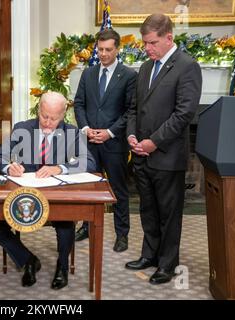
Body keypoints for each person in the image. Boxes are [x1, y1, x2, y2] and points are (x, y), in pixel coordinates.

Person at [0, 92, 96, 290]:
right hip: (24, 197)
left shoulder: (71, 132)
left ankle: (62, 267)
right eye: (44, 116)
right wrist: (8, 167)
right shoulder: (23, 128)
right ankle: (28, 260)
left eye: (53, 119)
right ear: (39, 110)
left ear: (63, 116)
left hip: (57, 198)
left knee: (66, 224)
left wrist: (60, 168)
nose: (47, 123)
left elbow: (88, 162)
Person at [125, 14, 202, 284]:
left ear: (169, 37)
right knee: (148, 209)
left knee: (169, 215)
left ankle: (167, 265)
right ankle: (150, 255)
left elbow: (184, 114)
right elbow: (135, 108)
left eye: (152, 43)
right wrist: (132, 135)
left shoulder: (187, 66)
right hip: (141, 154)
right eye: (145, 43)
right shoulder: (146, 67)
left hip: (167, 157)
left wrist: (154, 142)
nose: (147, 48)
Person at [73, 29, 137, 252]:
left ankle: (122, 234)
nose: (103, 54)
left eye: (108, 50)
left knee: (118, 190)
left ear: (117, 49)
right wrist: (86, 128)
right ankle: (86, 227)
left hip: (114, 143)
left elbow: (130, 111)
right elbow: (79, 103)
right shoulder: (88, 74)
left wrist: (110, 132)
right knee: (88, 187)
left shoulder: (129, 76)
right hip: (89, 142)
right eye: (100, 49)